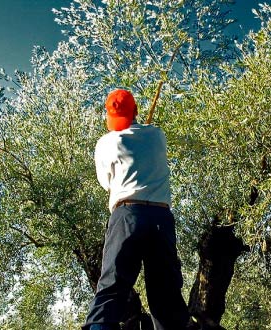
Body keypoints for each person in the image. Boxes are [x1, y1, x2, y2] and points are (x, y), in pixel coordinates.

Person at [82, 89, 189, 330]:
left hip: (127, 215)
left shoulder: (106, 142)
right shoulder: (157, 135)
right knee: (166, 296)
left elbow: (106, 183)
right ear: (137, 111)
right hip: (161, 218)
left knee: (112, 288)